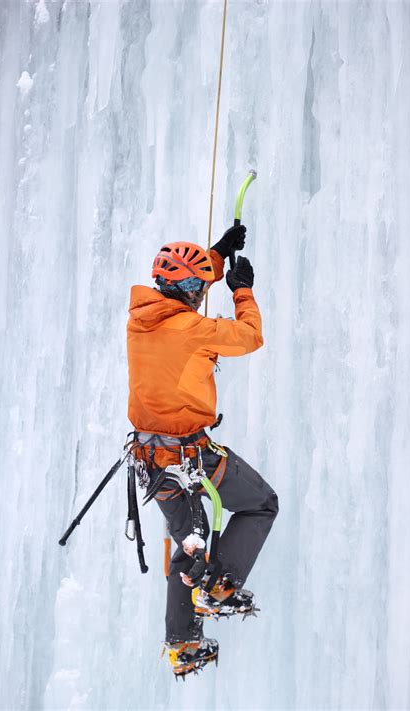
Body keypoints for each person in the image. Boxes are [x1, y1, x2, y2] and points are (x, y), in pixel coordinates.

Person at [126, 226, 278, 678]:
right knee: (260, 504)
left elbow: (181, 291)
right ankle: (219, 588)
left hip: (152, 462)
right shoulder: (193, 328)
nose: (197, 295)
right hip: (192, 456)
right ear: (187, 290)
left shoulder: (139, 321)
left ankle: (184, 642)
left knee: (190, 544)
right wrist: (242, 291)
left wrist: (216, 257)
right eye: (196, 287)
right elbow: (249, 336)